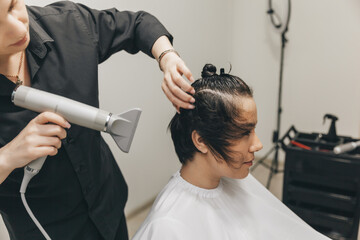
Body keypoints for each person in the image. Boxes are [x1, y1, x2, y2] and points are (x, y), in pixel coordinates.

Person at [0, 0, 195, 239]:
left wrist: (167, 57)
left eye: (12, 6)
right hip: (44, 229)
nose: (19, 29)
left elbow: (137, 24)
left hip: (108, 206)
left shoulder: (67, 24)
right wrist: (7, 158)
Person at [133, 64, 331, 240]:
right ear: (201, 140)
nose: (258, 145)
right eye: (245, 133)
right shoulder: (168, 228)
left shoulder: (236, 181)